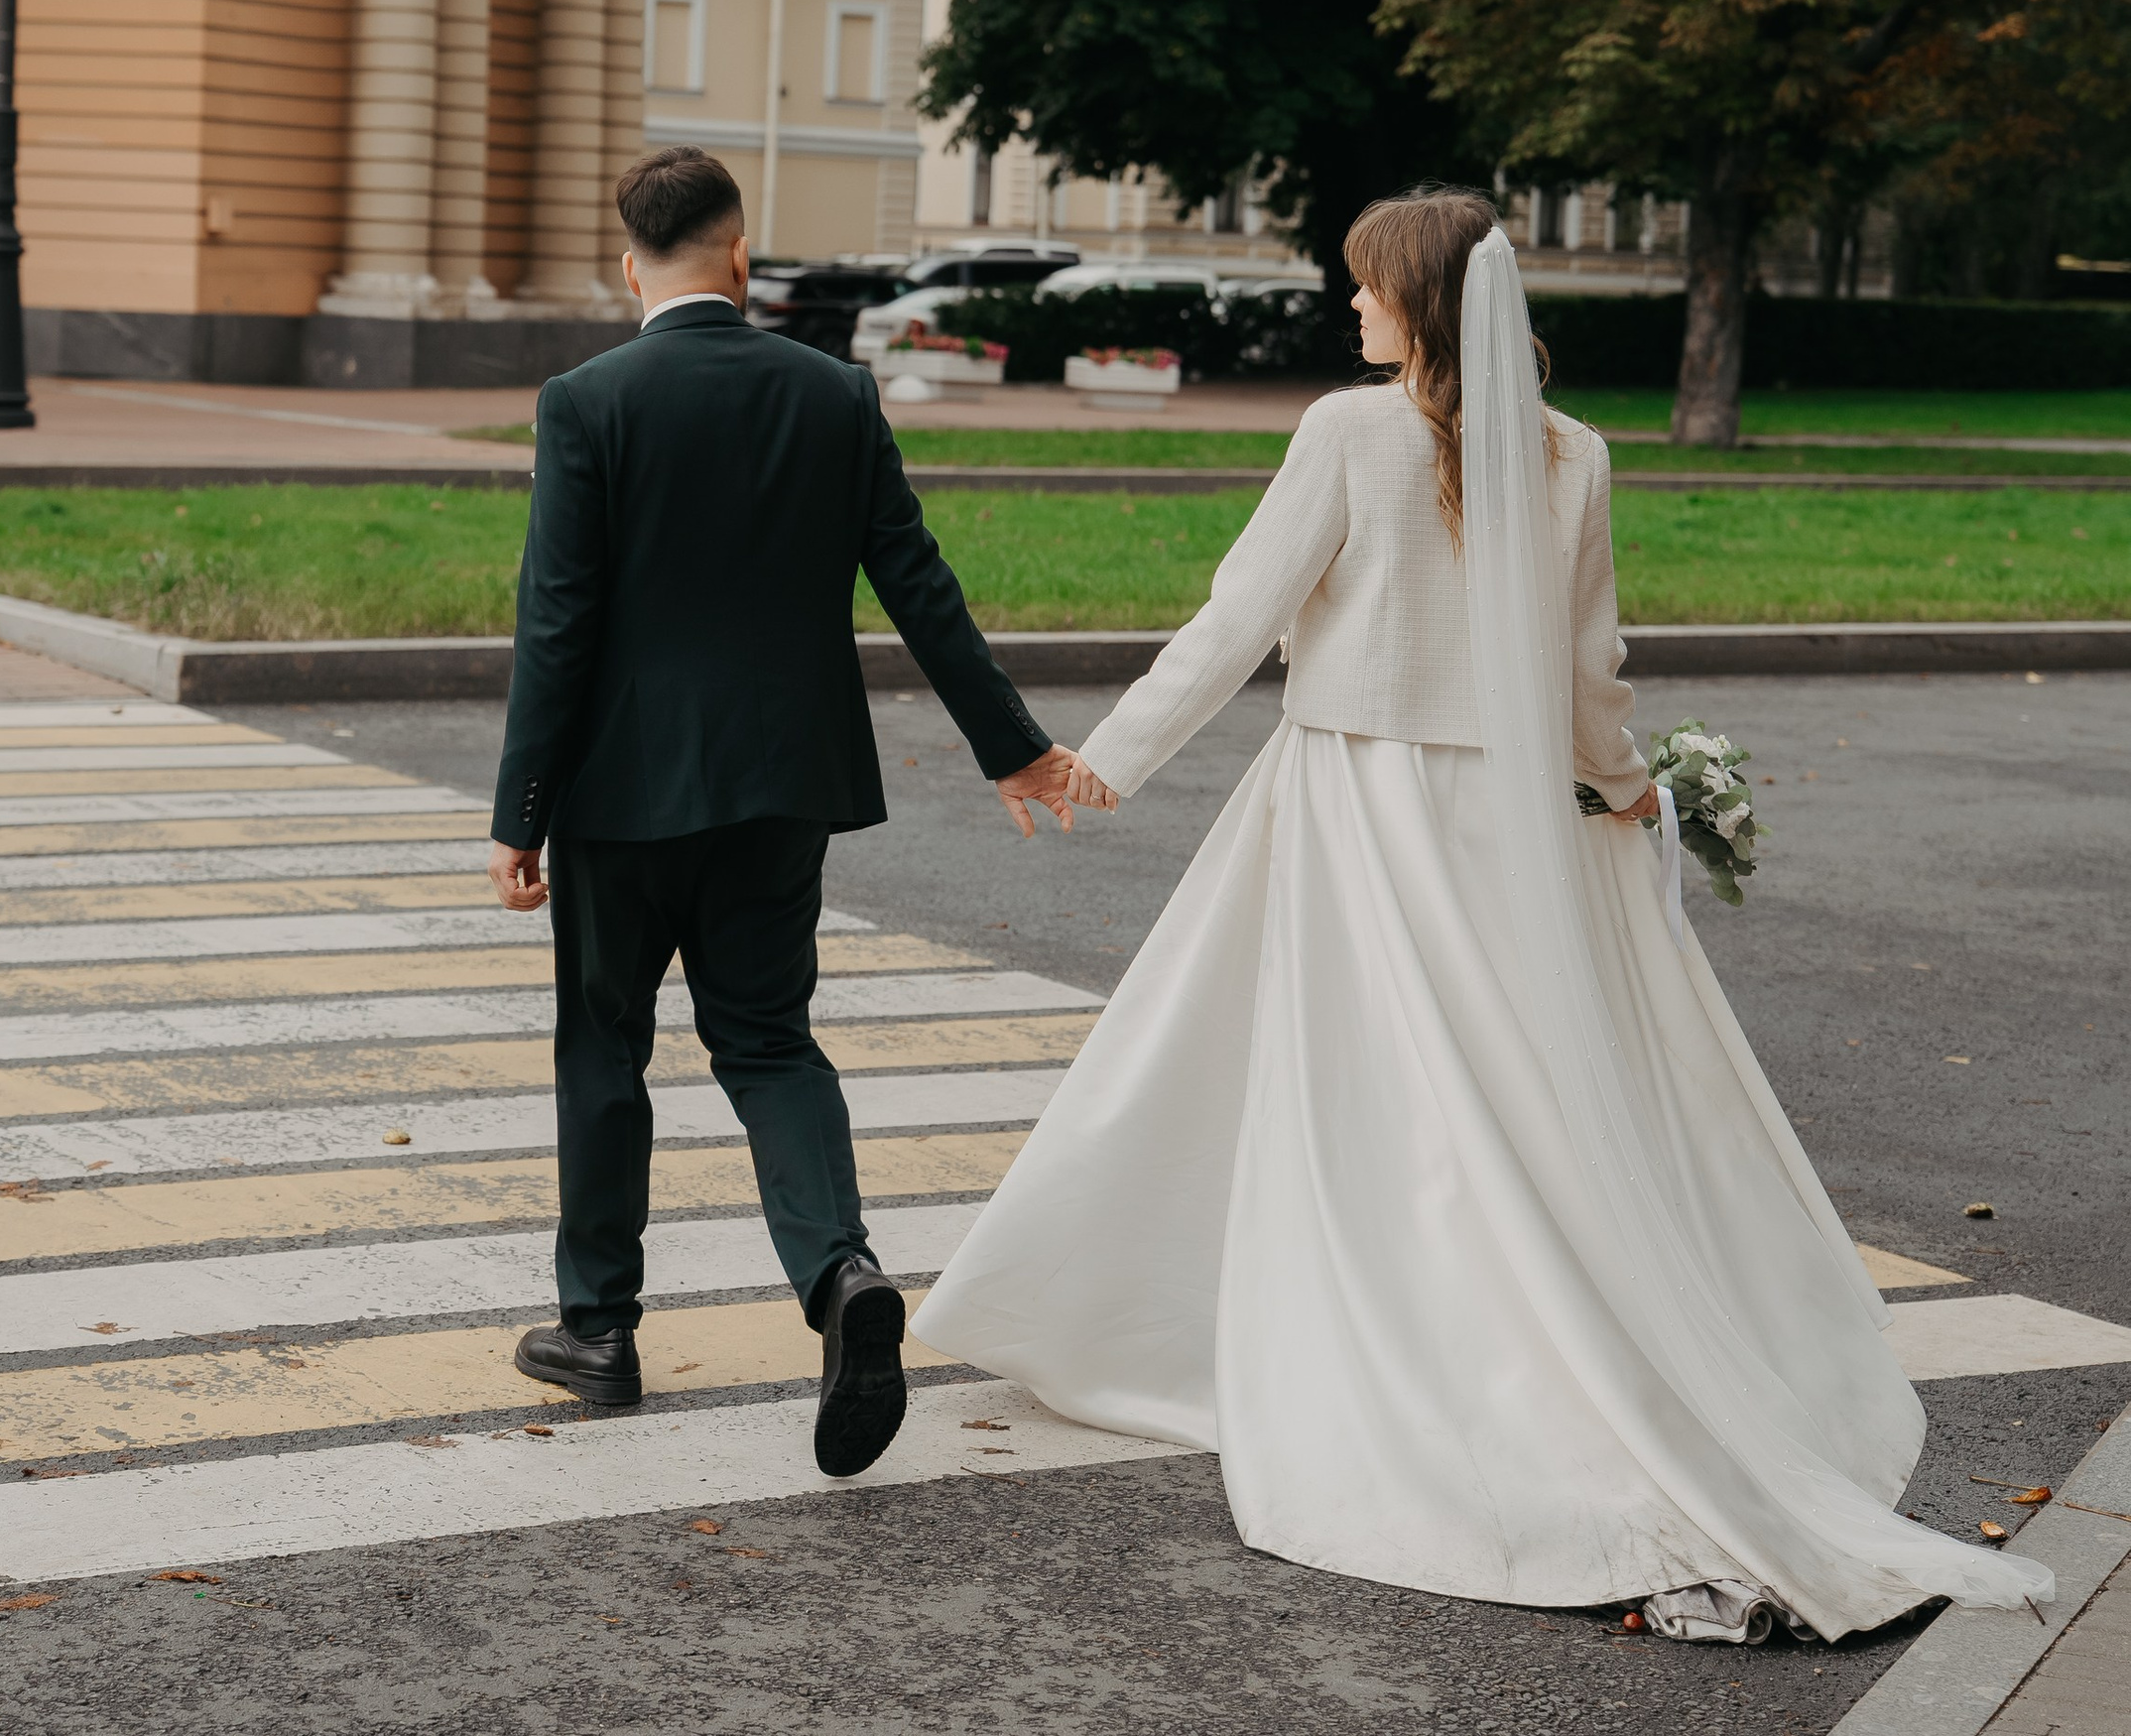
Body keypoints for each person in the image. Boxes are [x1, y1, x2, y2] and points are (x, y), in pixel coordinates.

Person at [916, 188, 2052, 1644]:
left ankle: (1277, 1329)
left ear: (1422, 302)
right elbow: (1590, 672)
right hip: (1514, 827)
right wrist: (1631, 789)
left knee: (1344, 1090)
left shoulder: (1346, 433)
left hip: (1356, 809)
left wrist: (1111, 760)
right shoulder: (1574, 454)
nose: (1350, 309)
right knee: (1510, 1101)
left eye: (1366, 289)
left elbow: (1240, 612)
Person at [489, 142, 1082, 1478]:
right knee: (768, 1043)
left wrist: (519, 808)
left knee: (603, 1046)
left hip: (617, 794)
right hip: (780, 786)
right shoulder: (834, 394)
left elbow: (558, 619)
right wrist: (1012, 748)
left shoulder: (587, 401)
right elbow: (917, 584)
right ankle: (838, 1273)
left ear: (628, 265)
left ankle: (599, 1330)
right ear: (743, 257)